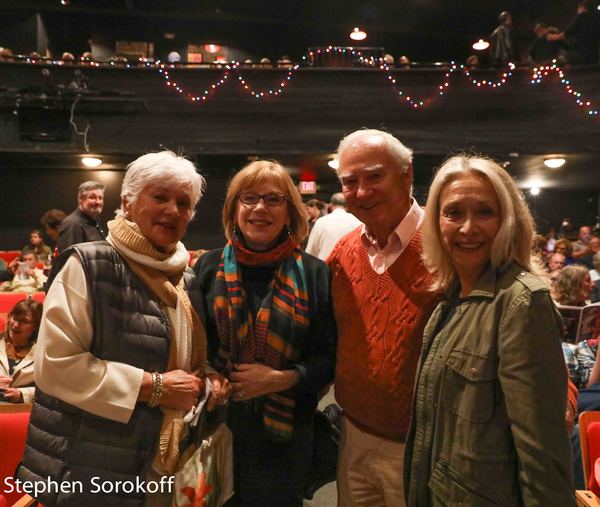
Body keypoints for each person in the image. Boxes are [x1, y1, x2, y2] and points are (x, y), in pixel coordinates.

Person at [17, 151, 230, 507]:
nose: (173, 210)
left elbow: (178, 355)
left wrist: (208, 378)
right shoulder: (88, 264)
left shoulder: (186, 277)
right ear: (128, 203)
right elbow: (55, 367)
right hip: (88, 469)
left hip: (159, 467)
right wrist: (157, 388)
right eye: (160, 197)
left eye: (184, 202)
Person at [404, 155, 575, 506]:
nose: (468, 228)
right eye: (454, 213)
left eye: (484, 212)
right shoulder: (449, 302)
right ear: (437, 223)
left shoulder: (522, 302)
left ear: (508, 220)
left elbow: (542, 453)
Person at [194, 160, 336, 507]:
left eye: (274, 199)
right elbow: (195, 350)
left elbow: (330, 358)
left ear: (290, 211)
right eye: (249, 198)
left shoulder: (316, 274)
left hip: (286, 439)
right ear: (234, 209)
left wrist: (279, 379)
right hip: (218, 431)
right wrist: (211, 377)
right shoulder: (207, 267)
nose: (260, 208)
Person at [328, 129, 439, 506]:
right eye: (350, 182)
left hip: (420, 445)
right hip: (353, 434)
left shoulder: (445, 246)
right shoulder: (343, 253)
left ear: (407, 174)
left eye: (375, 176)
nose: (362, 191)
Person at [0, 299, 43, 404]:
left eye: (24, 321)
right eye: (15, 318)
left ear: (36, 326)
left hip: (25, 411)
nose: (15, 325)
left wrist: (23, 394)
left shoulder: (45, 353)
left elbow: (53, 389)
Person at [305, 192, 361, 260]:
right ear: (347, 206)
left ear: (331, 206)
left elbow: (310, 252)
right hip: (350, 267)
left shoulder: (321, 222)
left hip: (325, 267)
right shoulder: (358, 222)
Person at [56, 180, 106, 253]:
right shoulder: (72, 224)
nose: (98, 202)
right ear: (80, 199)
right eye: (92, 197)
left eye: (100, 198)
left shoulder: (94, 222)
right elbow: (69, 259)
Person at [547, 0, 600, 65]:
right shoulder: (596, 17)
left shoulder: (581, 16)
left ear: (582, 7)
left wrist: (554, 37)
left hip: (580, 52)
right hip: (594, 52)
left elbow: (569, 31)